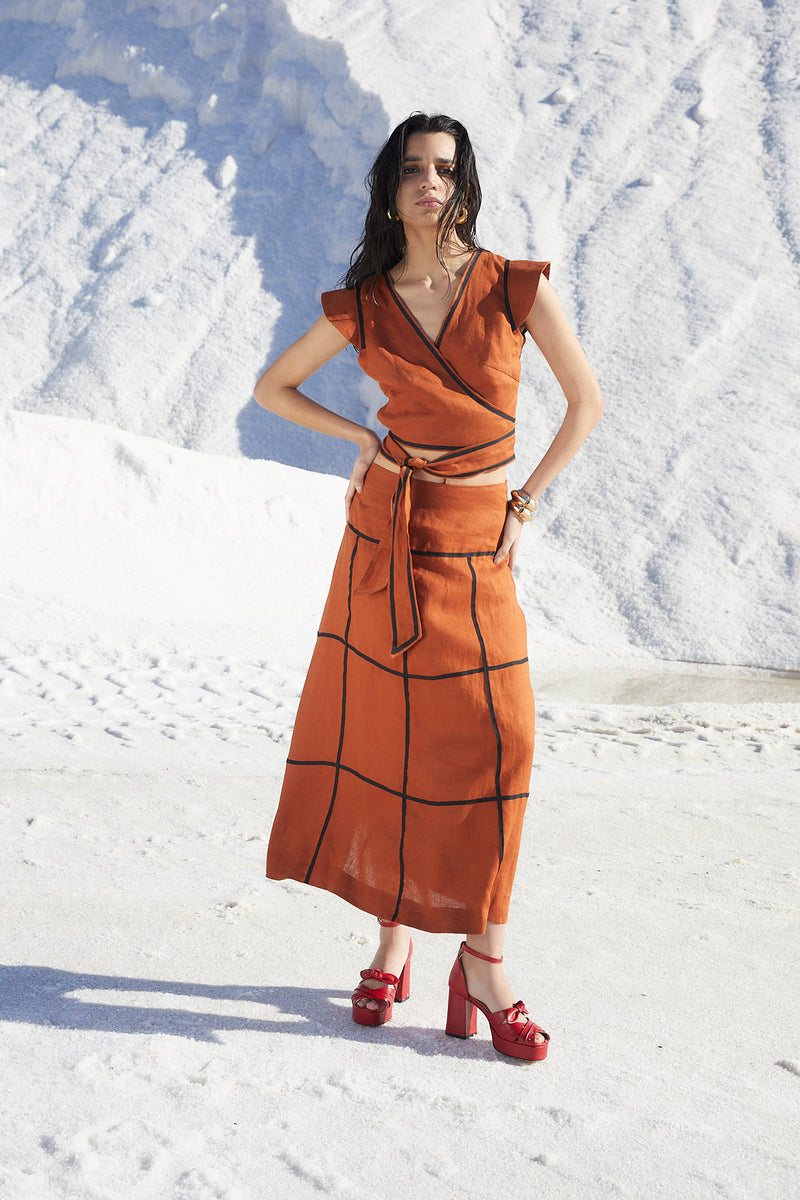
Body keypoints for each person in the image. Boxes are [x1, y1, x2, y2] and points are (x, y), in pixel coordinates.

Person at [256, 113, 603, 1062]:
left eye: (445, 169)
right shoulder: (366, 302)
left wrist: (525, 503)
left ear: (464, 183)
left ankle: (483, 961)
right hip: (392, 539)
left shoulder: (515, 286)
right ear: (390, 189)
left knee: (504, 740)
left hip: (480, 542)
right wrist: (361, 441)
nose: (429, 183)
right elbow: (273, 389)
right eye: (412, 169)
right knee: (393, 744)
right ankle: (394, 943)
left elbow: (586, 404)